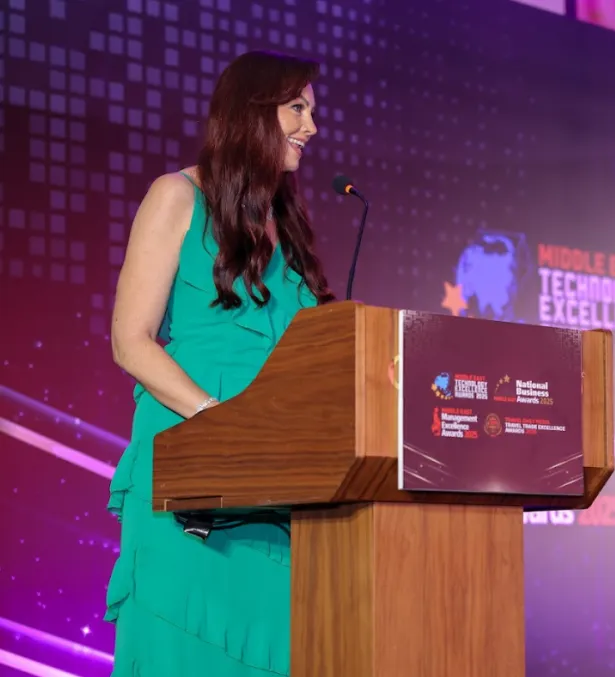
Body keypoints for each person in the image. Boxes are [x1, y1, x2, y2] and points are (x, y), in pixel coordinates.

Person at [106, 50, 333, 676]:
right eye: (297, 107)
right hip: (192, 479)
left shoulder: (287, 224)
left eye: (312, 110)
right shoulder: (175, 196)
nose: (311, 126)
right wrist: (222, 426)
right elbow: (130, 341)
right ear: (251, 110)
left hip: (278, 487)